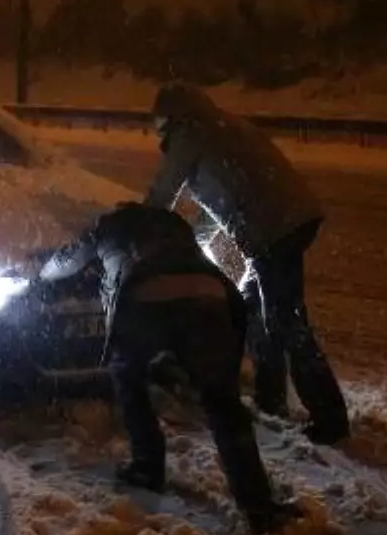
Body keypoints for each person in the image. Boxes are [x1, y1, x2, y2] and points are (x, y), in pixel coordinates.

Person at [40, 202, 302, 535]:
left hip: (145, 295)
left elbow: (67, 262)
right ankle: (258, 506)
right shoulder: (173, 222)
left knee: (128, 375)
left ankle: (147, 466)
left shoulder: (108, 225)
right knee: (223, 403)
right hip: (208, 294)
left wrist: (38, 274)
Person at [144, 82, 350, 446]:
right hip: (291, 219)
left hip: (274, 229)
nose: (160, 134)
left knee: (287, 322)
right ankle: (270, 399)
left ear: (172, 119)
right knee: (254, 305)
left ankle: (330, 419)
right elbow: (221, 203)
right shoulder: (223, 126)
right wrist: (195, 248)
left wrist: (139, 232)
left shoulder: (191, 133)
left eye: (160, 125)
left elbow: (163, 193)